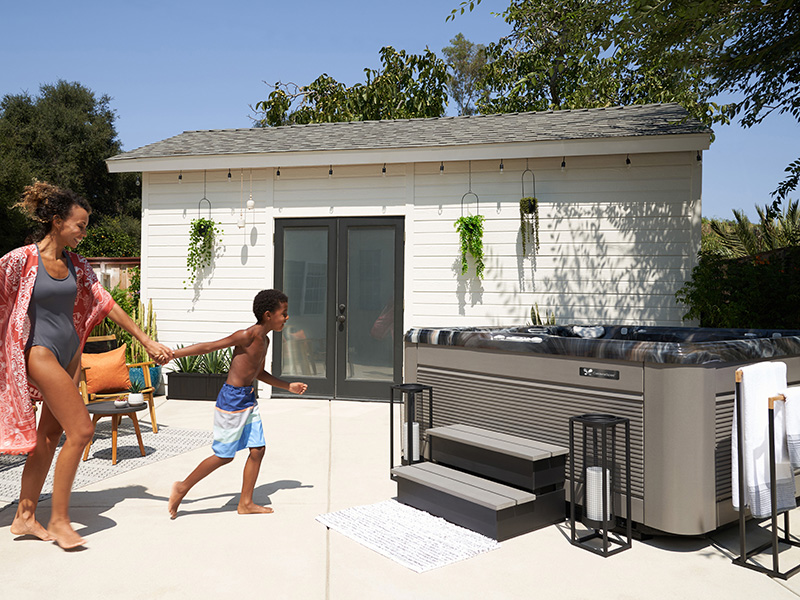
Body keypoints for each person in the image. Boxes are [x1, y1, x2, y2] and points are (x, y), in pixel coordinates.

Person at [0, 182, 173, 549]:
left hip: (69, 356)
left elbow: (105, 303)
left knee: (48, 439)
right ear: (57, 221)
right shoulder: (21, 260)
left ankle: (24, 517)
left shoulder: (78, 265)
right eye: (79, 225)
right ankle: (60, 519)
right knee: (80, 431)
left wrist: (146, 340)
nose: (83, 232)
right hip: (39, 352)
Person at [168, 289, 307, 519]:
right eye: (284, 313)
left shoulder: (266, 340)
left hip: (248, 398)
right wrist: (173, 354)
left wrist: (287, 386)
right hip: (232, 399)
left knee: (258, 449)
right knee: (224, 456)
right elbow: (208, 347)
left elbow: (258, 372)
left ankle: (245, 503)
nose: (287, 317)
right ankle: (182, 488)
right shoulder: (246, 336)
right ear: (268, 315)